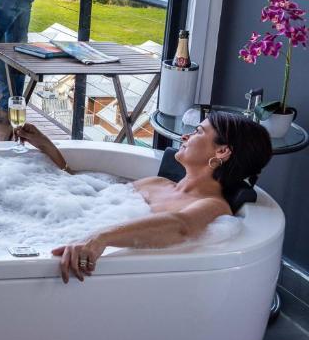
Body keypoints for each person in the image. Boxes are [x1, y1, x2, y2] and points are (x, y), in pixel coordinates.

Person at [14, 112, 273, 284]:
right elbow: (83, 186)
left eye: (197, 131)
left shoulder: (213, 205)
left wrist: (98, 238)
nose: (185, 136)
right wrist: (47, 146)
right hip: (57, 232)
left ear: (223, 151)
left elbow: (180, 226)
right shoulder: (156, 183)